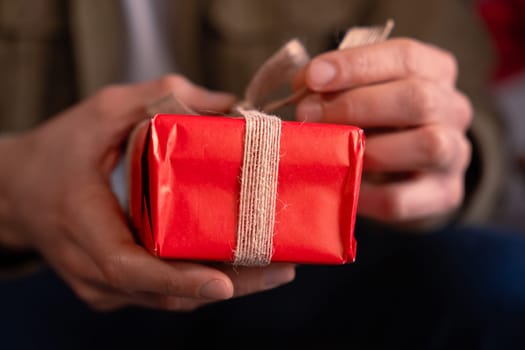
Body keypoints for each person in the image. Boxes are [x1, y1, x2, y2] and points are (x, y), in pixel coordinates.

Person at [0, 0, 524, 349]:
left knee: (500, 281)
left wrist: (445, 150)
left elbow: (469, 104)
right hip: (31, 262)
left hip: (321, 270)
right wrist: (13, 186)